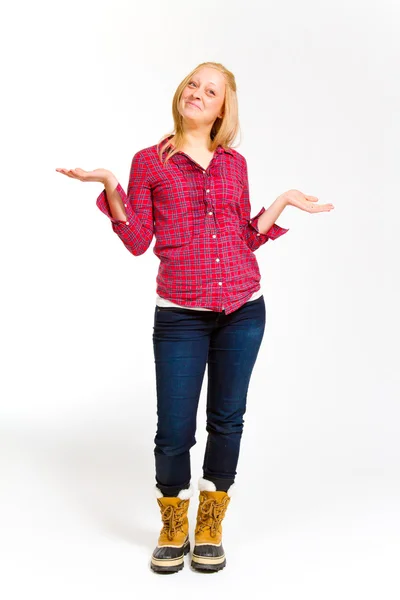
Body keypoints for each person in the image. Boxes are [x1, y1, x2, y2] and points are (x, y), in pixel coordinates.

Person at [56, 61, 334, 575]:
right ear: (181, 94)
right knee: (174, 429)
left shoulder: (235, 164)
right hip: (180, 315)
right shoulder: (150, 162)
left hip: (243, 310)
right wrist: (111, 183)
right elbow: (139, 242)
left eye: (211, 90)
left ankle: (210, 523)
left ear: (223, 108)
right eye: (193, 84)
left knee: (227, 420)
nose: (197, 93)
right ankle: (171, 523)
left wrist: (282, 202)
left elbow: (244, 236)